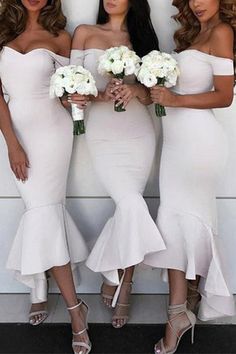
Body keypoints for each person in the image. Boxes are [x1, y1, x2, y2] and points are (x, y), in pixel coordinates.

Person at [144, 0, 236, 353]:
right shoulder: (195, 34)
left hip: (199, 145)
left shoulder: (222, 31)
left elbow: (225, 96)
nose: (197, 3)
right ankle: (187, 303)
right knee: (176, 221)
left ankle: (177, 313)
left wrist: (175, 100)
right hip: (175, 145)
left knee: (178, 220)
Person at [0, 1, 91, 353]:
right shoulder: (3, 33)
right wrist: (12, 144)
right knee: (40, 212)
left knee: (44, 211)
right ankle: (50, 291)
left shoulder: (60, 36)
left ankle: (73, 312)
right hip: (17, 131)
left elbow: (68, 93)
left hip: (53, 133)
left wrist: (78, 98)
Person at [70, 0, 165, 328]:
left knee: (130, 207)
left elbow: (154, 91)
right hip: (102, 132)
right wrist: (98, 96)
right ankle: (116, 277)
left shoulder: (142, 38)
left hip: (138, 131)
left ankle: (123, 284)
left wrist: (135, 89)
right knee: (130, 204)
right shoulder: (84, 32)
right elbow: (71, 85)